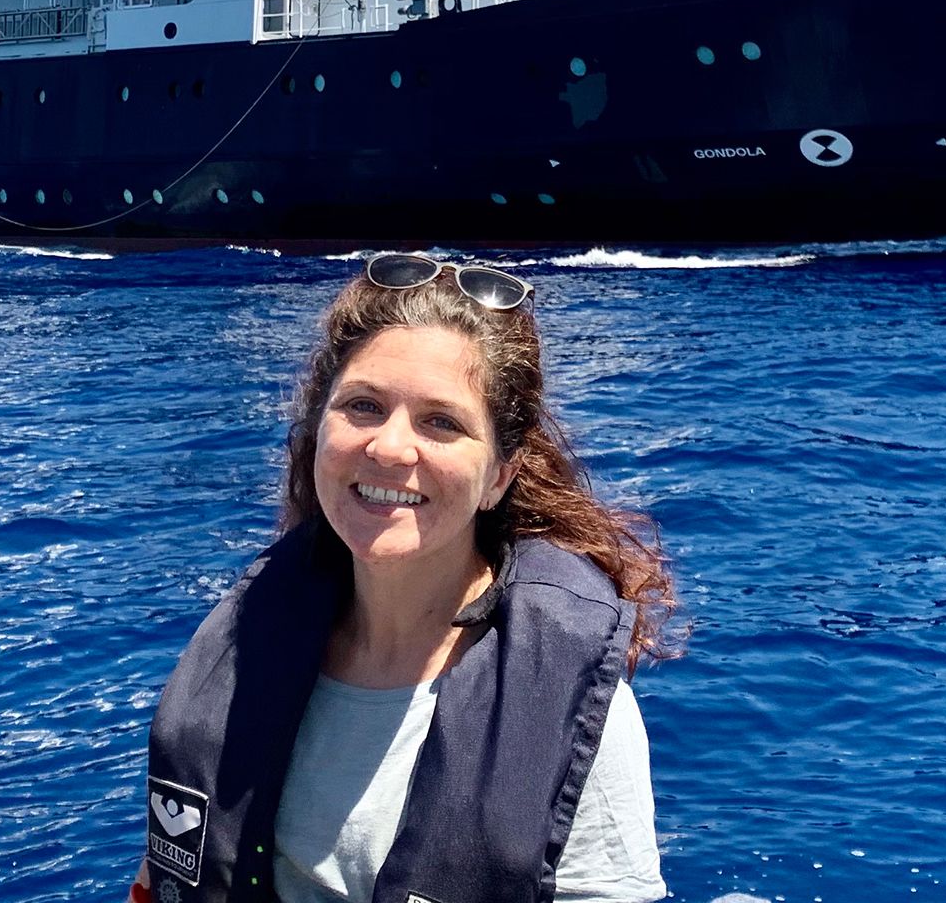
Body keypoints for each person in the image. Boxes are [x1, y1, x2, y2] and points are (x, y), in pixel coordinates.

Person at [133, 254, 676, 903]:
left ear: (499, 475)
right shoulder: (242, 652)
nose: (390, 448)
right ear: (318, 430)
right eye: (363, 406)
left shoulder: (574, 711)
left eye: (441, 422)